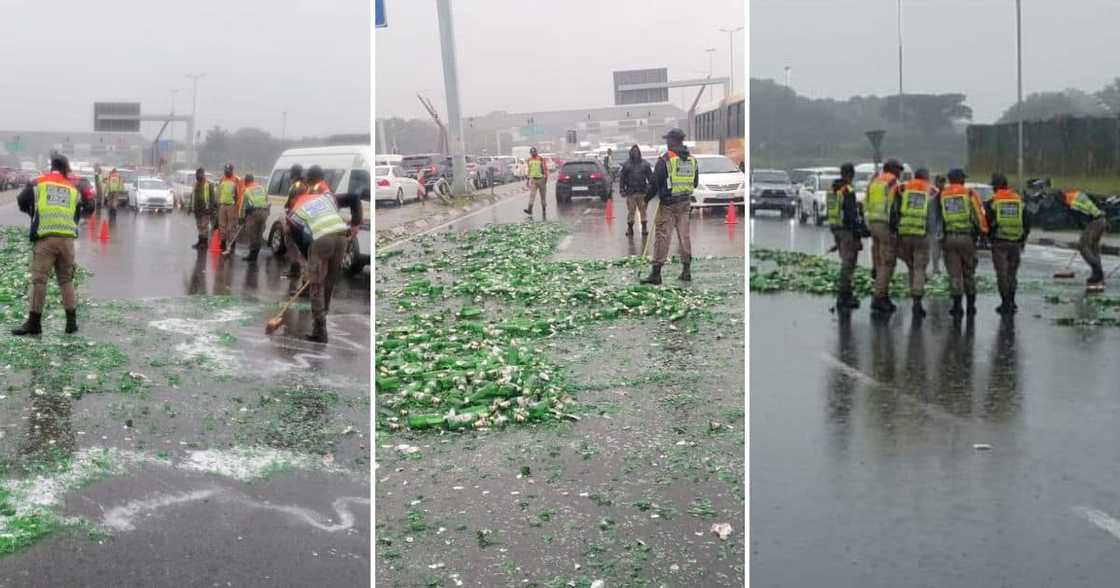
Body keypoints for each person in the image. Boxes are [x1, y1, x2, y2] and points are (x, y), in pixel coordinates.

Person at [12, 154, 88, 336]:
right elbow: (78, 212)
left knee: (39, 280)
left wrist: (33, 213)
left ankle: (34, 323)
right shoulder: (73, 188)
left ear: (51, 166)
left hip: (45, 238)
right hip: (67, 240)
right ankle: (71, 323)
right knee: (66, 280)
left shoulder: (39, 182)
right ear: (65, 169)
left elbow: (22, 201)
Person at [286, 183, 363, 342]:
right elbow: (353, 199)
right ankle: (323, 321)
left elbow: (301, 242)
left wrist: (311, 265)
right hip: (342, 237)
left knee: (316, 285)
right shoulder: (325, 198)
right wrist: (355, 223)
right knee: (329, 281)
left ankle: (319, 330)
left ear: (294, 198)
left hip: (321, 240)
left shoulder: (294, 213)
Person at [641, 128, 698, 285]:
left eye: (668, 140)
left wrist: (646, 200)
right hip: (685, 203)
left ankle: (656, 274)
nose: (666, 143)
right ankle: (686, 271)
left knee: (662, 237)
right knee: (684, 236)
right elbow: (695, 183)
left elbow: (654, 183)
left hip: (668, 205)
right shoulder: (692, 159)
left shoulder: (665, 160)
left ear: (673, 141)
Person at [939, 169, 989, 317]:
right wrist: (984, 232)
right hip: (966, 238)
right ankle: (971, 306)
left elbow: (939, 217)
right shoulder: (969, 194)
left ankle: (957, 306)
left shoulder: (943, 194)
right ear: (960, 179)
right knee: (968, 273)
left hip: (949, 238)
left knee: (954, 274)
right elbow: (978, 214)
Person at [891, 167, 936, 318]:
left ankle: (914, 294)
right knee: (919, 268)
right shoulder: (931, 190)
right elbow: (933, 214)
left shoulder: (902, 188)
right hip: (921, 234)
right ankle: (917, 302)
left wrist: (896, 229)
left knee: (911, 267)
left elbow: (894, 209)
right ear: (925, 177)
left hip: (904, 233)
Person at [985, 173, 1029, 315]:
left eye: (993, 186)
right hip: (1016, 242)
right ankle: (1012, 301)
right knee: (1012, 274)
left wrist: (988, 237)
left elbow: (987, 222)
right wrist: (1023, 239)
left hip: (999, 243)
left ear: (997, 187)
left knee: (1002, 274)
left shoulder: (993, 201)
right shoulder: (1018, 200)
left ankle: (1005, 303)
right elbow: (1027, 221)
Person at [866, 159, 904, 313]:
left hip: (873, 223)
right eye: (899, 169)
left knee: (878, 260)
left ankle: (882, 293)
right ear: (892, 169)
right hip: (886, 225)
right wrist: (896, 229)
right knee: (887, 263)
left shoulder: (874, 181)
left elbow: (866, 202)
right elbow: (896, 207)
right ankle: (879, 297)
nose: (900, 172)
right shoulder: (893, 182)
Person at [829, 163, 865, 310]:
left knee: (845, 260)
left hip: (835, 228)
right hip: (846, 230)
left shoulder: (833, 188)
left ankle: (845, 293)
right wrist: (859, 231)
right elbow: (851, 214)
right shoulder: (848, 190)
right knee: (849, 262)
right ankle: (844, 295)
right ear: (851, 174)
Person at [1060, 189, 1107, 290]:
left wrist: (1083, 227)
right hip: (1101, 220)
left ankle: (1098, 272)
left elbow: (1079, 218)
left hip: (1095, 222)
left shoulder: (1070, 203)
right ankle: (1098, 276)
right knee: (1093, 249)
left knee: (1083, 247)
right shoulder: (1076, 194)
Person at [618, 144, 653, 237]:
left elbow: (651, 178)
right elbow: (622, 178)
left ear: (639, 153)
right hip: (631, 193)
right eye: (633, 152)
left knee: (643, 211)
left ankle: (644, 227)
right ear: (631, 153)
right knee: (631, 211)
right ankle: (630, 228)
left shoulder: (645, 164)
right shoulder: (626, 165)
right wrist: (622, 189)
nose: (635, 153)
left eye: (637, 152)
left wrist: (650, 188)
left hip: (642, 192)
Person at [284, 164, 307, 294]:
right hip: (300, 218)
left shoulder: (297, 186)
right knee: (295, 245)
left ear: (293, 174)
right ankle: (295, 269)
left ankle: (297, 270)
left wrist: (290, 218)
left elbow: (294, 203)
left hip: (295, 218)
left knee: (292, 244)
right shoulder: (304, 185)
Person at [239, 173, 269, 262]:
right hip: (264, 212)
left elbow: (242, 206)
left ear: (246, 181)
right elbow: (266, 200)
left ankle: (252, 254)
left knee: (251, 232)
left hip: (254, 213)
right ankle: (255, 254)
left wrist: (241, 218)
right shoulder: (262, 188)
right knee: (259, 233)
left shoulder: (247, 190)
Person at [216, 163, 241, 253]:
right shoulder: (221, 179)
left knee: (231, 226)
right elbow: (219, 192)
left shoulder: (236, 180)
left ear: (232, 170)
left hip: (232, 206)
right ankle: (223, 242)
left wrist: (238, 206)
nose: (227, 172)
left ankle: (231, 243)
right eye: (226, 170)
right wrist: (217, 203)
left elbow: (239, 194)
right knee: (222, 225)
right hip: (222, 205)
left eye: (229, 170)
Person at [190, 168, 216, 250]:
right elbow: (192, 196)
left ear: (203, 175)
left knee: (204, 226)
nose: (198, 176)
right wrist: (190, 207)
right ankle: (200, 241)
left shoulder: (209, 185)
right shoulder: (195, 184)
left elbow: (212, 198)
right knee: (199, 226)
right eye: (197, 175)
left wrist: (211, 210)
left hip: (205, 209)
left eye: (200, 174)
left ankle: (204, 243)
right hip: (197, 210)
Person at [523, 147, 548, 218]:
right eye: (532, 153)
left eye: (534, 152)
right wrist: (528, 180)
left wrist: (546, 178)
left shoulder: (541, 159)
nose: (533, 154)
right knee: (532, 195)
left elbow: (545, 169)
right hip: (533, 180)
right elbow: (529, 170)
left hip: (541, 179)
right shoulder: (529, 160)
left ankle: (544, 209)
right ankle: (529, 209)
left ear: (536, 152)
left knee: (543, 196)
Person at [929, 175, 947, 275]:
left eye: (942, 182)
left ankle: (938, 269)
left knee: (941, 250)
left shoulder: (943, 194)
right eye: (939, 182)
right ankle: (936, 269)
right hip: (936, 227)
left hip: (942, 226)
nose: (941, 184)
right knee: (936, 250)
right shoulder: (933, 195)